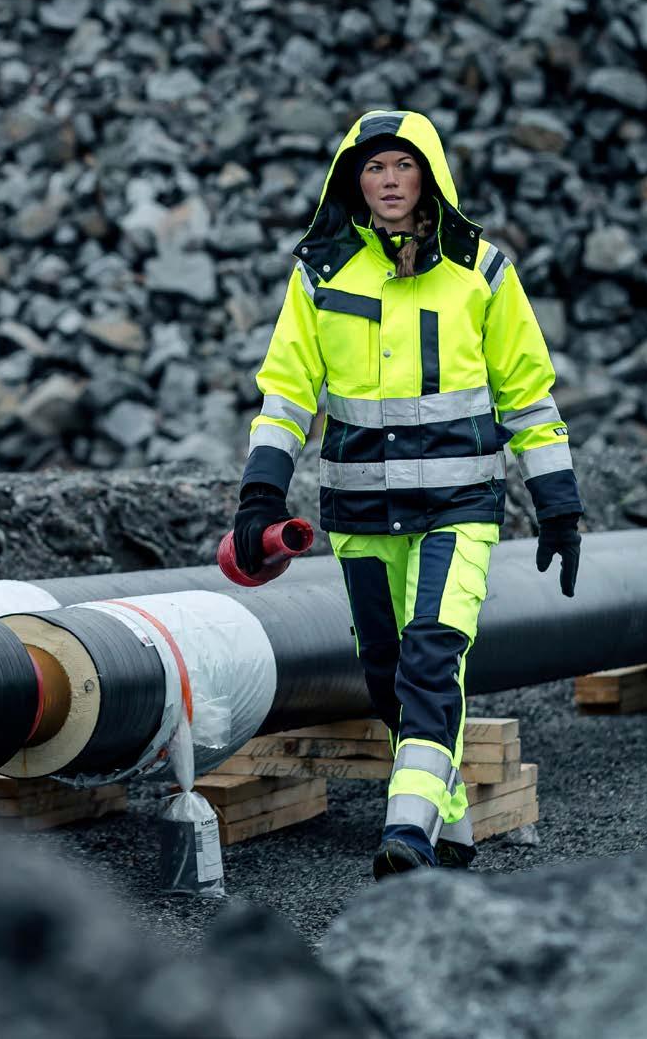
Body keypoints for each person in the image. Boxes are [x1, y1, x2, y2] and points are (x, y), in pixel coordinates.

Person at [232, 109, 582, 879]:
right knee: (389, 673)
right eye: (373, 168)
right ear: (352, 181)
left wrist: (558, 500)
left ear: (428, 174)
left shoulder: (482, 271)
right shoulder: (320, 273)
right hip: (359, 512)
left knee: (431, 659)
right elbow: (287, 392)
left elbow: (527, 393)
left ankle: (408, 828)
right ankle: (448, 825)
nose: (389, 182)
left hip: (459, 507)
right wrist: (262, 491)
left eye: (403, 165)